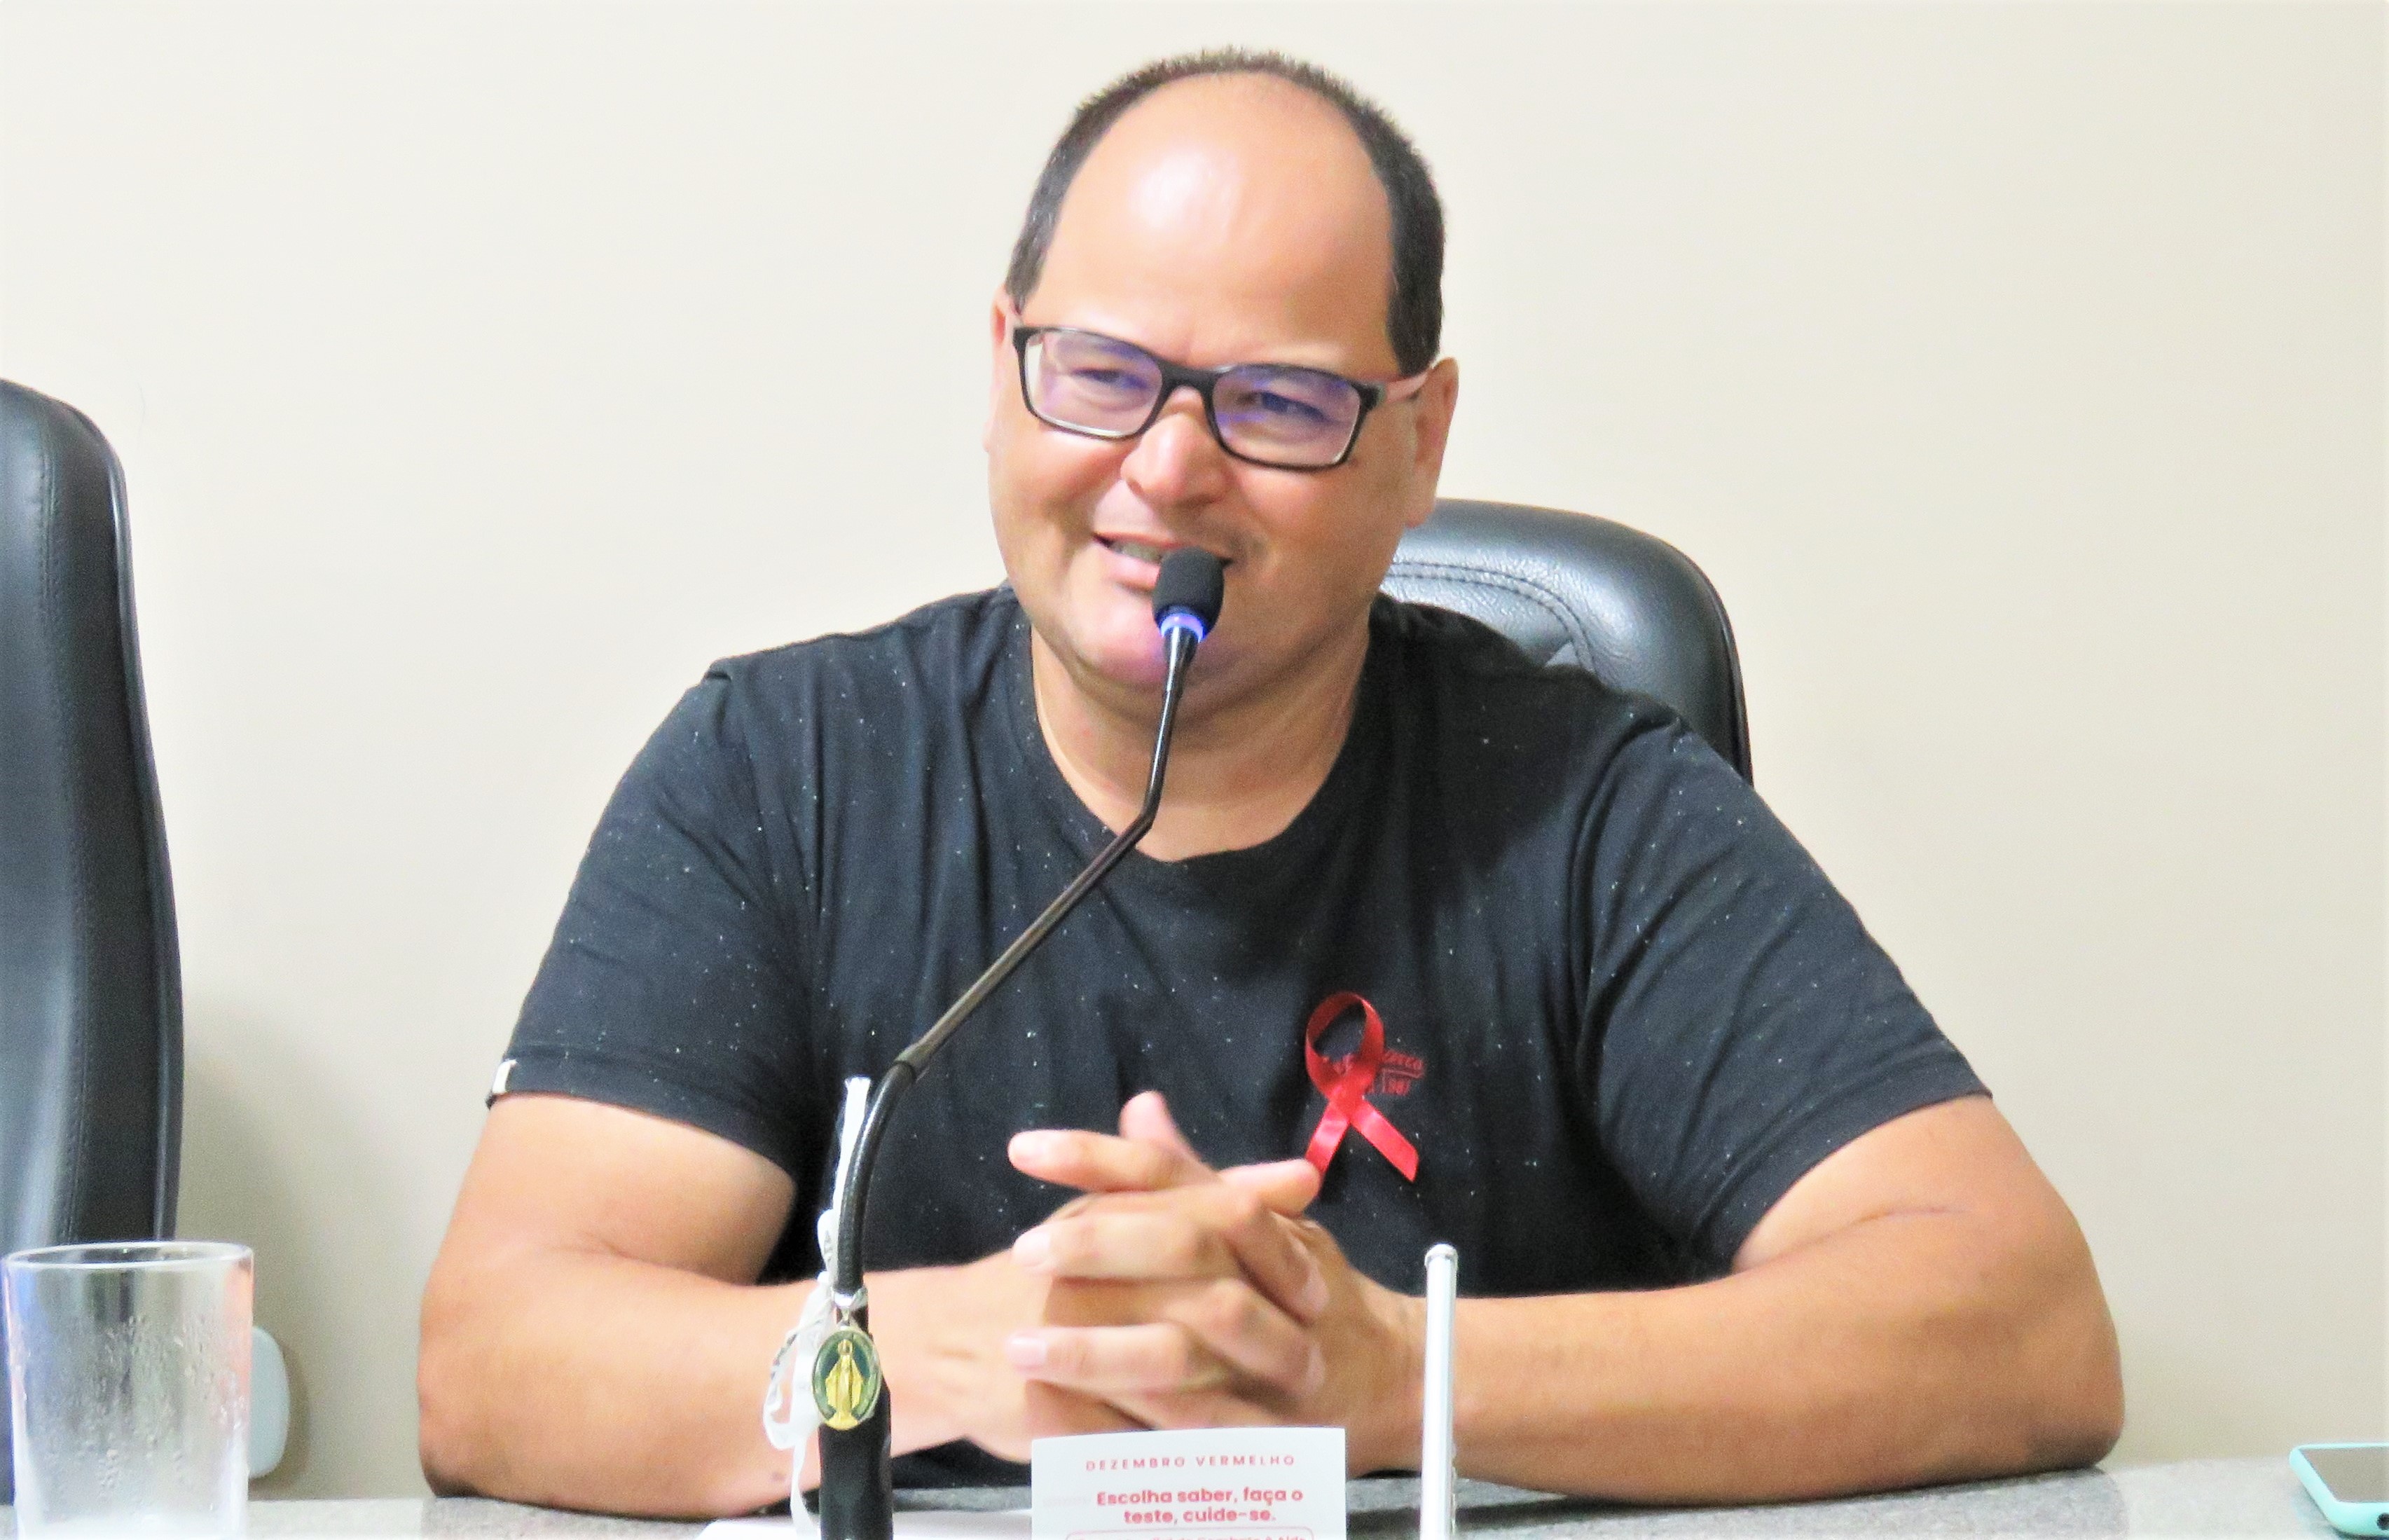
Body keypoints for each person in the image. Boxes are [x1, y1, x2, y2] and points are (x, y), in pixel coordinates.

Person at [417, 49, 2123, 1519]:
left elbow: (2023, 1329)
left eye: (1278, 402)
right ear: (1004, 367)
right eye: (1099, 375)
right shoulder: (779, 771)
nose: (1167, 470)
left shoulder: (1590, 807)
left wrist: (1384, 1372)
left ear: (1416, 441)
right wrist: (971, 1345)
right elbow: (493, 1363)